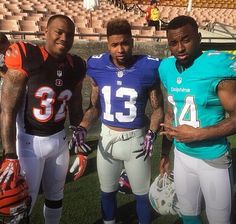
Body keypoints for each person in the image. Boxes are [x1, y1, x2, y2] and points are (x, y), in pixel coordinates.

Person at [69, 18, 164, 223]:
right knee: (107, 192)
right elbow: (95, 107)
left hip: (137, 142)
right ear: (107, 44)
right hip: (107, 139)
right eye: (114, 44)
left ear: (132, 42)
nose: (120, 49)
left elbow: (157, 109)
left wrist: (152, 133)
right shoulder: (96, 65)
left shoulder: (148, 67)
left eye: (125, 43)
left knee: (142, 194)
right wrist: (84, 127)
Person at [0, 14, 87, 223]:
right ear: (45, 32)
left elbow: (75, 108)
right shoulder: (28, 57)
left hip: (59, 141)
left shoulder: (75, 65)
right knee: (21, 204)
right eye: (59, 32)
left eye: (69, 34)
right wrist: (10, 154)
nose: (64, 38)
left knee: (56, 197)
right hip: (29, 143)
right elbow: (7, 110)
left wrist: (80, 148)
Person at [159, 15, 236, 224]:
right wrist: (165, 152)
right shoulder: (166, 68)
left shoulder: (216, 64)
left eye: (186, 39)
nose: (180, 48)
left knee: (220, 220)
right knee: (188, 214)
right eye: (173, 43)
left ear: (199, 37)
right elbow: (169, 113)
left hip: (212, 158)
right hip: (182, 156)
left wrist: (198, 134)